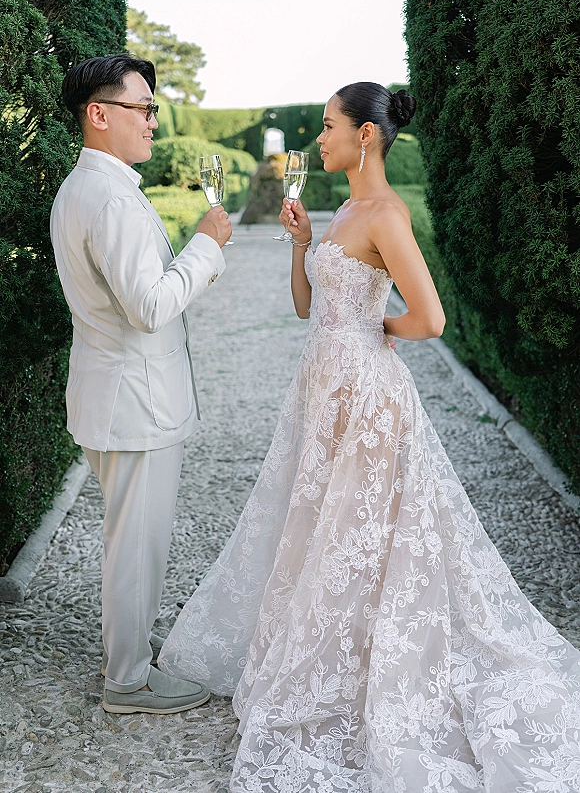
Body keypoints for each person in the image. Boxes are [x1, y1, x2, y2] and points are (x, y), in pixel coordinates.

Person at [158, 82, 580, 789]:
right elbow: (305, 309)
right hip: (320, 393)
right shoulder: (346, 207)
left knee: (365, 534)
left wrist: (367, 332)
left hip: (366, 397)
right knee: (325, 523)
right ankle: (340, 654)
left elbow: (430, 319)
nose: (316, 139)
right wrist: (299, 248)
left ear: (365, 137)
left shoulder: (385, 212)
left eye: (327, 127)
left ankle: (374, 672)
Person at [50, 54, 232, 715]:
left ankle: (127, 651)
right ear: (100, 115)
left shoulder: (86, 189)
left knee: (130, 539)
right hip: (136, 407)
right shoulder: (110, 199)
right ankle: (127, 681)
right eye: (144, 108)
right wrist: (207, 244)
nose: (155, 122)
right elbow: (150, 306)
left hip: (112, 399)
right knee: (136, 544)